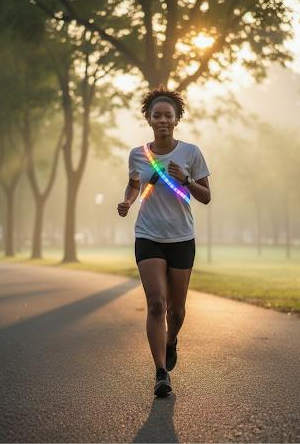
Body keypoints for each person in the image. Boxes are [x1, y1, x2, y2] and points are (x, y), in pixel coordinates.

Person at [117, 86, 211, 397]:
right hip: (148, 235)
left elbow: (206, 197)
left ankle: (171, 341)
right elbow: (134, 186)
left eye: (168, 116)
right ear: (148, 118)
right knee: (156, 304)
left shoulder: (191, 153)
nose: (162, 120)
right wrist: (128, 202)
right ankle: (160, 373)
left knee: (177, 311)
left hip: (182, 237)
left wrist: (186, 179)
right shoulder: (137, 155)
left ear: (176, 119)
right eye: (156, 115)